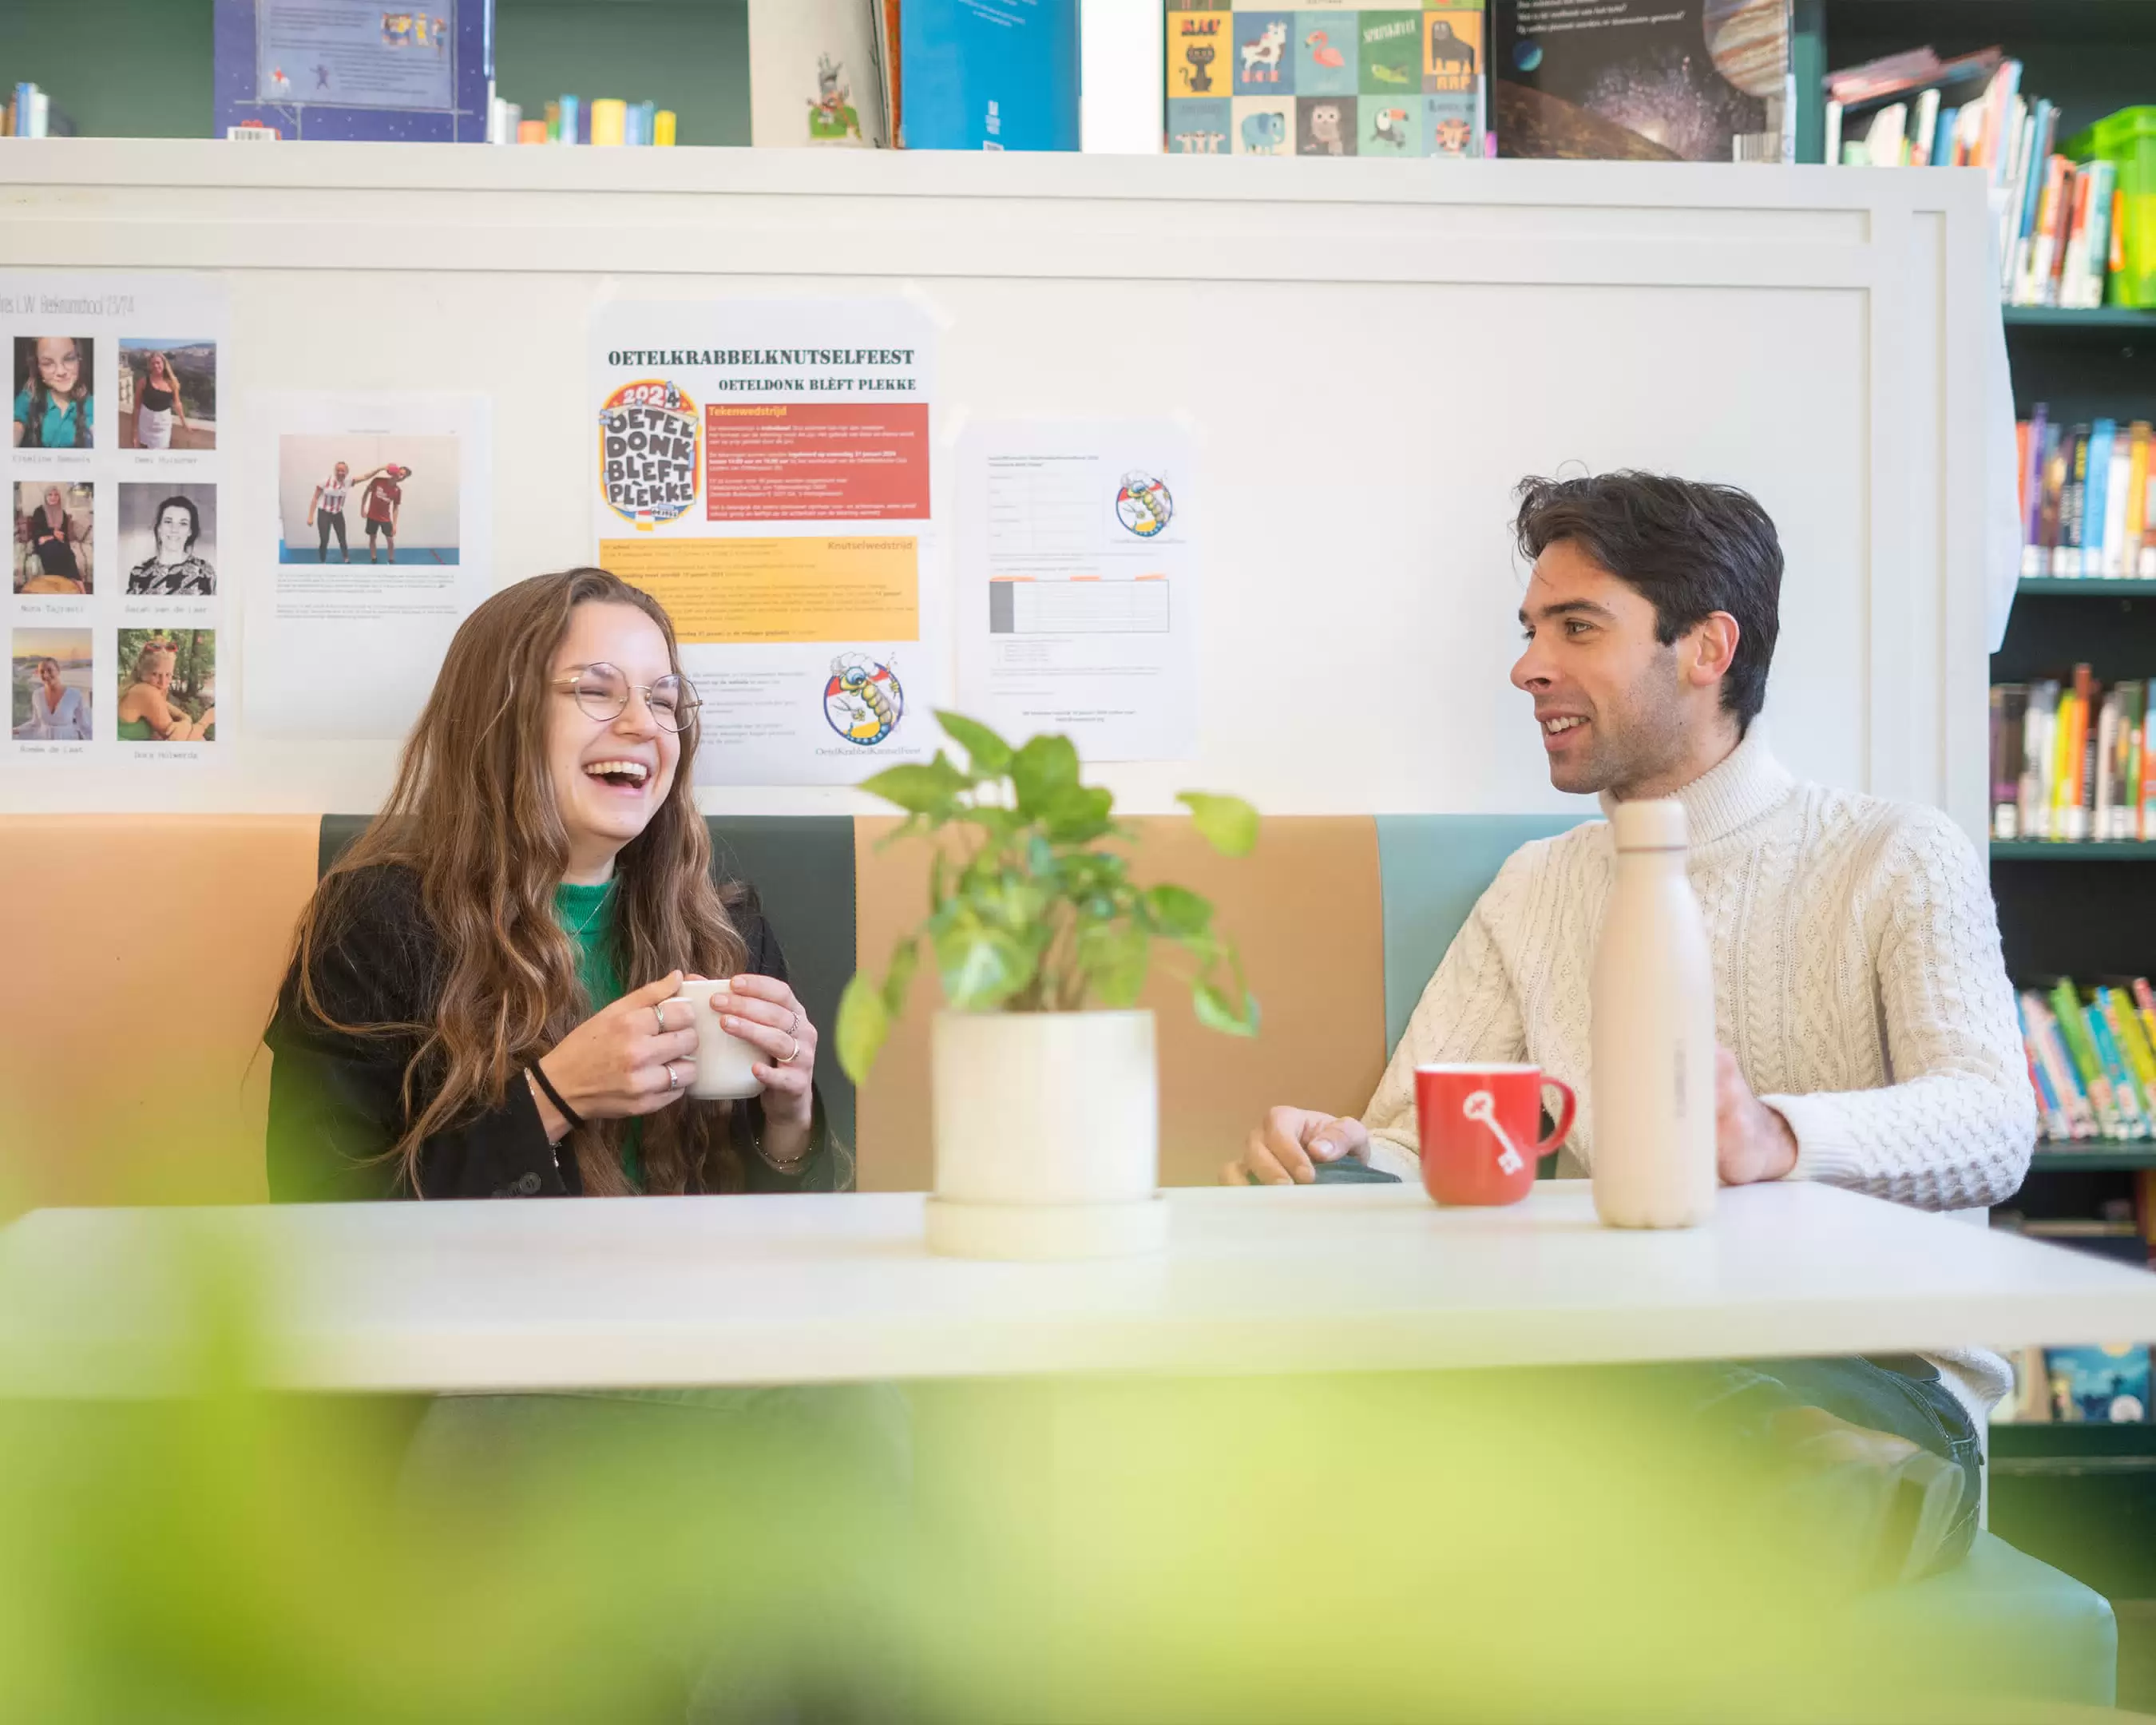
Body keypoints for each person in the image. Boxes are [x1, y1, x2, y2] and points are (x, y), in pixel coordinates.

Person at [1225, 470, 2033, 1581]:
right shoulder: (1535, 887)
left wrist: (1778, 1142)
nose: (1528, 667)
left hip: (1868, 1379)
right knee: (1418, 1325)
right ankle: (1744, 1490)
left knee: (1519, 1386)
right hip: (1613, 1349)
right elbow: (1420, 1140)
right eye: (1530, 630)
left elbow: (1993, 1123)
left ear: (1706, 649)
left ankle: (1797, 1478)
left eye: (1577, 627)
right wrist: (1346, 1152)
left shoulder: (1894, 854)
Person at [264, 565, 839, 1202]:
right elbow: (317, 1207)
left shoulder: (728, 929)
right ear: (500, 717)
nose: (645, 726)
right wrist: (554, 1096)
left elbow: (790, 1243)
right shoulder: (375, 925)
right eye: (598, 690)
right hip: (480, 1301)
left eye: (664, 699)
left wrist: (790, 1124)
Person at [117, 637, 215, 742]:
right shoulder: (145, 692)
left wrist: (185, 722)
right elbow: (181, 741)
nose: (163, 683)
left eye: (168, 675)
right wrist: (206, 721)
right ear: (142, 672)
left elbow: (181, 715)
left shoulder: (139, 687)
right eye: (155, 674)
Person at [12, 335, 93, 449]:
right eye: (47, 363)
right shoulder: (29, 397)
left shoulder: (89, 403)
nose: (61, 371)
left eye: (69, 359)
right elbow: (15, 427)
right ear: (37, 367)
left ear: (79, 360)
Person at [126, 494, 216, 596]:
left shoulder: (204, 572)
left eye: (183, 523)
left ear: (190, 531)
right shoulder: (138, 573)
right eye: (168, 522)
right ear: (159, 528)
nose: (174, 529)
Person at [18, 485, 91, 593]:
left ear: (59, 497)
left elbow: (64, 535)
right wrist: (53, 534)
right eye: (50, 495)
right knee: (53, 549)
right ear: (46, 497)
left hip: (58, 542)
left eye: (56, 495)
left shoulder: (63, 514)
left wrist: (57, 536)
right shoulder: (39, 511)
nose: (53, 497)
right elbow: (38, 533)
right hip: (44, 543)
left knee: (68, 553)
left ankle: (77, 582)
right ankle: (61, 583)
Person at [14, 656, 90, 740]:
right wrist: (15, 730)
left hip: (67, 744)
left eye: (50, 670)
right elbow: (35, 723)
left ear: (58, 671)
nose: (46, 675)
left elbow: (84, 726)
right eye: (42, 672)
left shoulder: (75, 695)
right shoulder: (37, 695)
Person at [129, 350, 191, 450]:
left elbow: (177, 404)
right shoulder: (143, 382)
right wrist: (134, 433)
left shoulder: (172, 383)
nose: (156, 366)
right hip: (145, 425)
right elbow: (136, 408)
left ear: (164, 364)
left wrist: (184, 423)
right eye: (153, 363)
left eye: (158, 363)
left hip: (163, 425)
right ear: (149, 366)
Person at [308, 460, 357, 562]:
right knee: (324, 539)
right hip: (324, 513)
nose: (340, 473)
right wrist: (310, 516)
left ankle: (346, 558)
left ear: (347, 472)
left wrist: (380, 469)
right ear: (335, 471)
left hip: (338, 513)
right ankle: (323, 560)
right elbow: (315, 498)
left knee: (342, 537)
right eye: (338, 470)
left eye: (343, 471)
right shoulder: (325, 481)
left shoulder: (348, 482)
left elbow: (365, 477)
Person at [361, 462, 407, 563]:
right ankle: (374, 558)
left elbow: (395, 508)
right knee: (372, 537)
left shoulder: (397, 491)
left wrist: (395, 525)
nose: (401, 476)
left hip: (385, 518)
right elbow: (365, 493)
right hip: (372, 516)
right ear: (396, 471)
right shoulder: (378, 481)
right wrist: (362, 509)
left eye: (404, 475)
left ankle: (391, 559)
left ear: (404, 479)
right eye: (401, 473)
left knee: (390, 540)